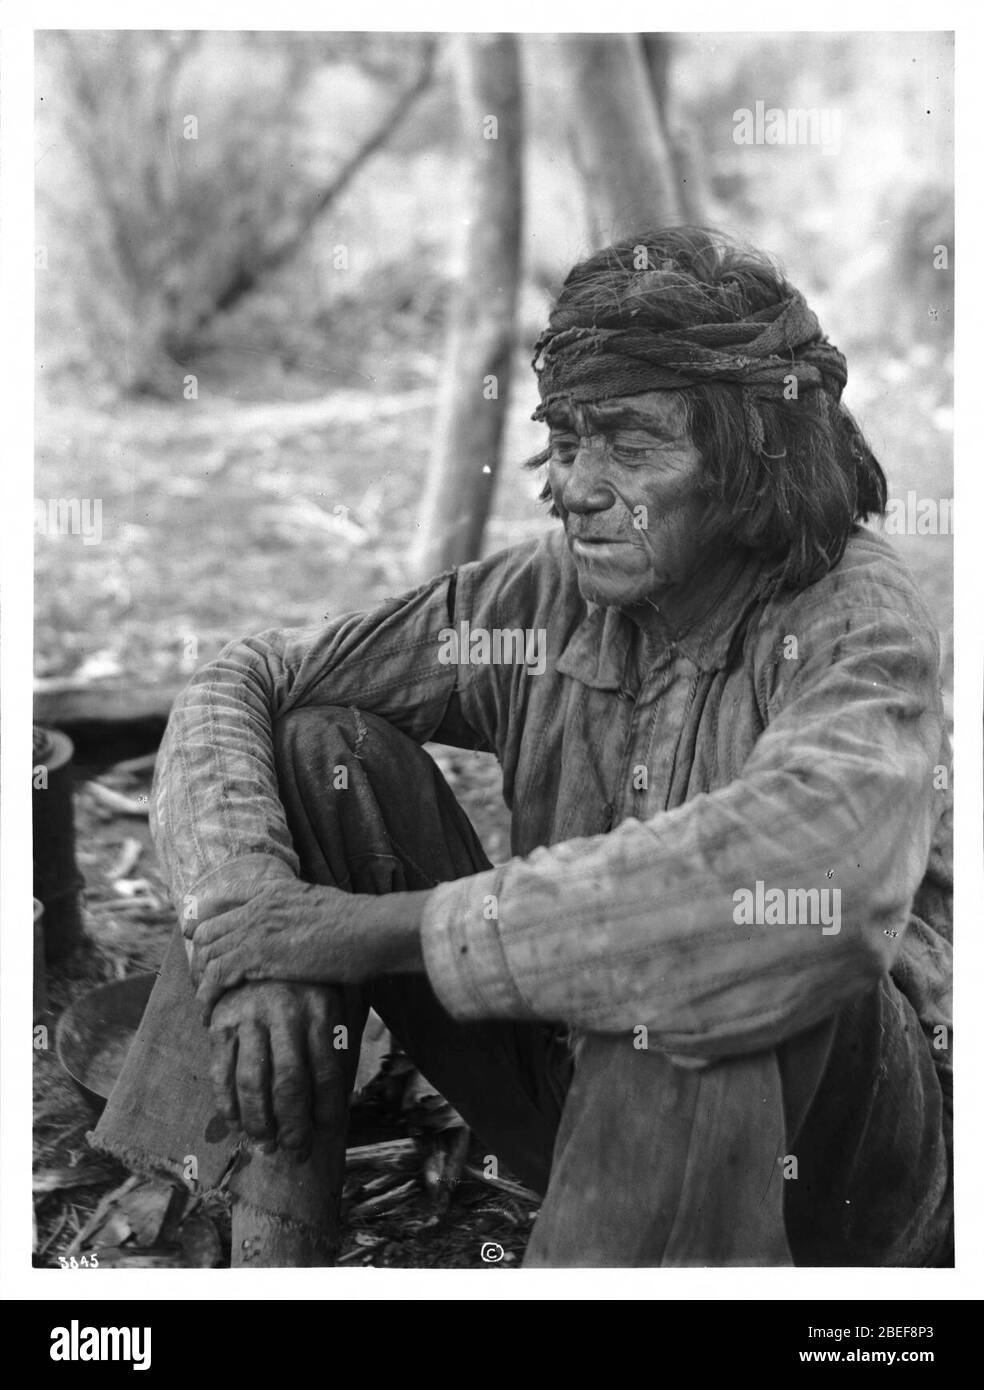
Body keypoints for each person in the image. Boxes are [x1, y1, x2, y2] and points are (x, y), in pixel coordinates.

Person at [93, 226, 952, 1267]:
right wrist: (249, 934)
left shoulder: (855, 613)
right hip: (576, 1095)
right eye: (570, 436)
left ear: (750, 463)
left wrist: (360, 932)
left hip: (832, 1164)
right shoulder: (541, 597)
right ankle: (245, 1234)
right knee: (324, 746)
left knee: (692, 978)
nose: (577, 485)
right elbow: (247, 677)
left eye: (632, 445)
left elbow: (805, 887)